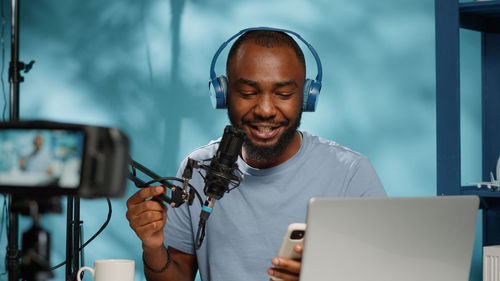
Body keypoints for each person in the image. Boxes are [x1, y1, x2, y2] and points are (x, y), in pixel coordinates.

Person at [126, 29, 386, 281]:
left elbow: (386, 272)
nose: (264, 110)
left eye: (283, 94)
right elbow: (178, 274)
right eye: (248, 93)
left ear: (306, 97)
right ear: (223, 94)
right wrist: (153, 247)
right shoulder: (198, 168)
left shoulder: (350, 174)